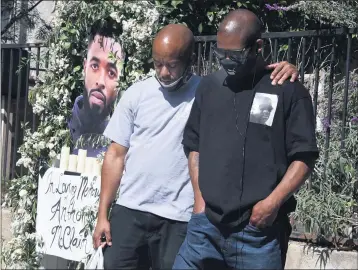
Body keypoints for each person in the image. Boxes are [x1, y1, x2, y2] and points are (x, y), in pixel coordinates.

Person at [92, 23, 300, 270]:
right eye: (158, 64)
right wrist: (103, 213)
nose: (164, 72)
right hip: (130, 211)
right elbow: (115, 155)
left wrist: (285, 69)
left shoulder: (209, 90)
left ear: (189, 60)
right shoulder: (136, 94)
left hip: (178, 217)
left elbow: (248, 83)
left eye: (171, 64)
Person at [174, 9, 319, 270]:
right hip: (205, 228)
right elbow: (193, 145)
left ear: (258, 47)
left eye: (235, 55)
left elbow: (304, 157)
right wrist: (199, 199)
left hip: (257, 234)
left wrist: (272, 203)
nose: (226, 60)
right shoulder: (209, 87)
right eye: (221, 54)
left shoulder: (288, 90)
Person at [68, 18, 125, 157]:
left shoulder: (123, 131)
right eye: (95, 66)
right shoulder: (64, 118)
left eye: (111, 73)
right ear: (84, 67)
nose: (100, 82)